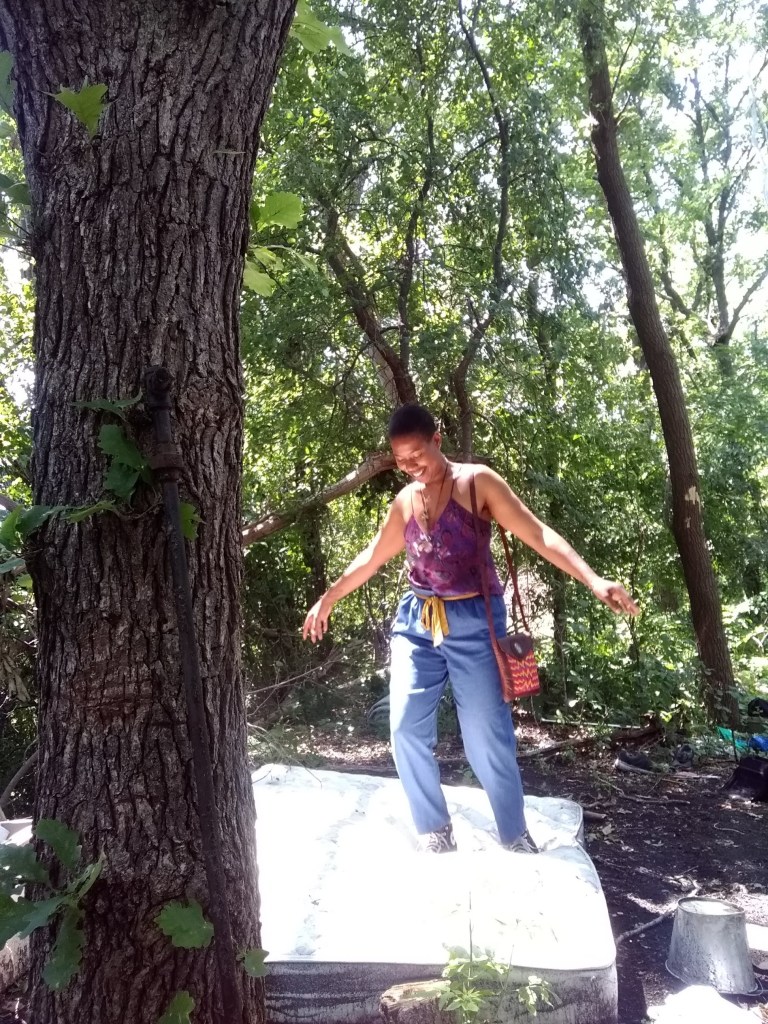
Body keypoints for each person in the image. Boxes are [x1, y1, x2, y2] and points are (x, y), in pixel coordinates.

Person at [303, 404, 639, 853]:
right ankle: (435, 829)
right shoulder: (405, 501)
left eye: (417, 454)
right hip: (417, 620)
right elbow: (372, 556)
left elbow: (538, 534)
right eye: (401, 460)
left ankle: (514, 834)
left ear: (437, 440)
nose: (411, 466)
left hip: (475, 617)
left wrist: (593, 579)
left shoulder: (478, 482)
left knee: (485, 734)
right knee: (404, 728)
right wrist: (329, 597)